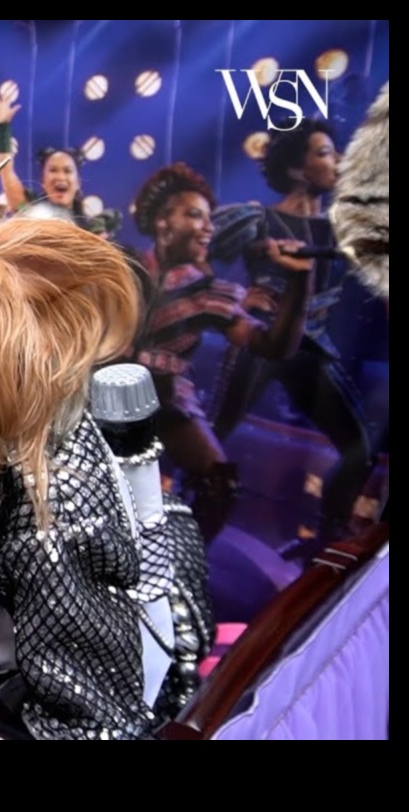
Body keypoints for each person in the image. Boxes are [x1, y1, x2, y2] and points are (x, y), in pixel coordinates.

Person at [211, 119, 376, 559]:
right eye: (324, 153)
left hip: (313, 345)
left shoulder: (344, 228)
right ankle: (186, 523)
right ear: (299, 169)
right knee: (212, 437)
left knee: (358, 450)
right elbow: (190, 259)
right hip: (263, 340)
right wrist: (238, 295)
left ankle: (327, 544)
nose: (337, 161)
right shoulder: (257, 219)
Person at [127, 163, 313, 543]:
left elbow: (272, 346)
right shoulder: (122, 268)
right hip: (101, 396)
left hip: (163, 399)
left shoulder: (208, 292)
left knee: (218, 484)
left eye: (210, 218)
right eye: (194, 215)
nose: (208, 227)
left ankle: (179, 563)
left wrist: (300, 279)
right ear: (164, 223)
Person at [0, 90, 122, 239]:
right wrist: (2, 127)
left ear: (77, 183)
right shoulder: (30, 212)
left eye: (67, 170)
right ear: (43, 181)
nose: (60, 176)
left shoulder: (90, 232)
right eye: (53, 170)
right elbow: (7, 172)